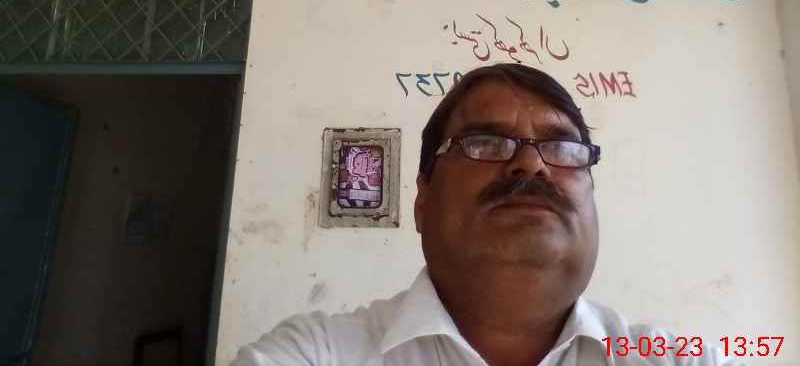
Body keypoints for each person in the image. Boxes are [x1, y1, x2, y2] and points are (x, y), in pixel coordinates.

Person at [233, 64, 747, 365]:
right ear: (423, 200)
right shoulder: (317, 355)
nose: (531, 164)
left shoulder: (680, 358)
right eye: (484, 142)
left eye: (563, 148)